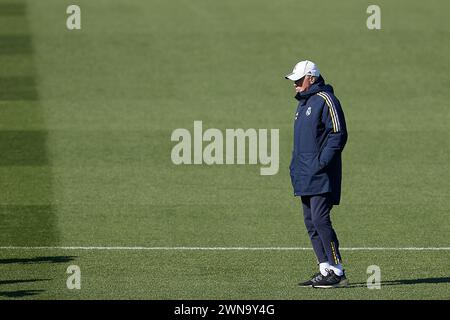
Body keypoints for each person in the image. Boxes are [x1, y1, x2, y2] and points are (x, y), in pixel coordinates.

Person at [285, 60, 349, 288]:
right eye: (293, 81)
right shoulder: (302, 104)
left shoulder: (326, 100)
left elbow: (338, 134)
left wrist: (321, 163)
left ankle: (337, 269)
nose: (295, 85)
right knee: (310, 222)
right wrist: (295, 167)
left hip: (321, 174)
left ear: (311, 78)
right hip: (304, 175)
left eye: (299, 80)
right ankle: (325, 268)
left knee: (321, 220)